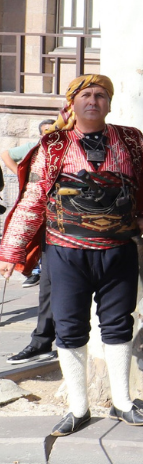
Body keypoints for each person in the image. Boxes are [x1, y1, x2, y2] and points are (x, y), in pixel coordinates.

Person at [0, 75, 143, 436]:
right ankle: (79, 408)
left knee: (117, 326)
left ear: (110, 104)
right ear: (72, 103)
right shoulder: (52, 145)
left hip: (119, 251)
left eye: (101, 95)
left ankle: (122, 402)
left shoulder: (131, 140)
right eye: (86, 95)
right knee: (69, 330)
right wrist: (10, 251)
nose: (93, 101)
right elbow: (33, 199)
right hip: (66, 254)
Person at [4, 119, 58, 366]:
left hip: (107, 240)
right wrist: (12, 251)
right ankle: (42, 342)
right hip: (55, 236)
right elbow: (31, 204)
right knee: (48, 290)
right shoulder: (39, 150)